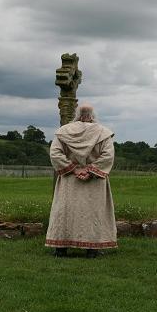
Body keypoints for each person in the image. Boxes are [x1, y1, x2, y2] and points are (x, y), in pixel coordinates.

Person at [45, 104, 117, 258]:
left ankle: (61, 249)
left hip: (70, 180)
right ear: (93, 115)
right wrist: (90, 170)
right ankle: (92, 250)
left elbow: (55, 154)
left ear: (77, 114)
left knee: (65, 212)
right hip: (94, 182)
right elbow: (108, 156)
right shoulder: (102, 133)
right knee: (92, 213)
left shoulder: (64, 132)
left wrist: (73, 168)